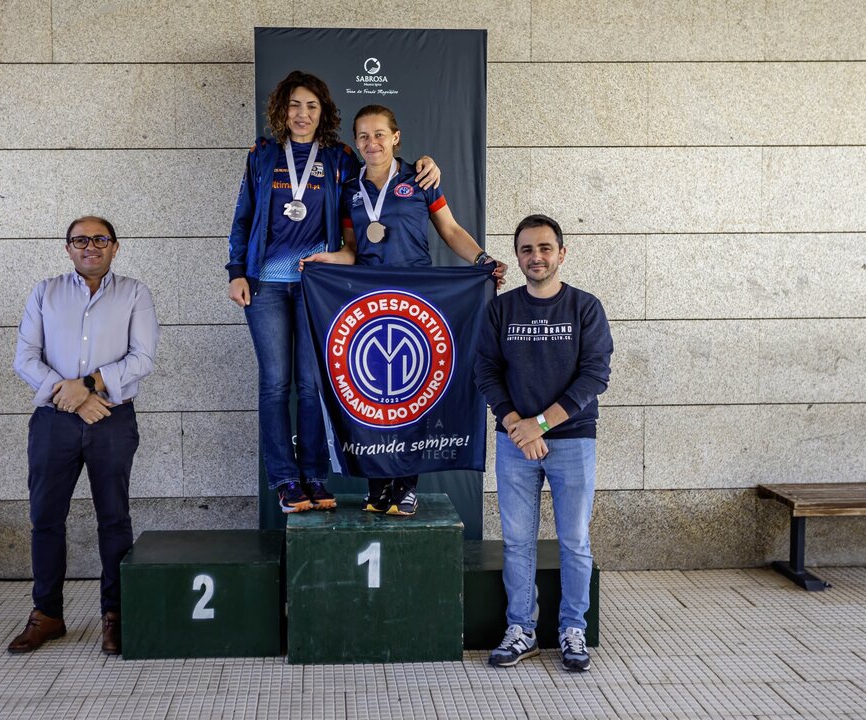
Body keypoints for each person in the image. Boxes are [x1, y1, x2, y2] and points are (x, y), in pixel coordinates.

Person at [226, 72, 440, 514]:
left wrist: (426, 163)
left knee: (312, 385)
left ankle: (314, 476)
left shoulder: (339, 157)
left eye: (311, 106)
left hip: (318, 285)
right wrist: (236, 272)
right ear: (281, 109)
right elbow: (243, 217)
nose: (302, 114)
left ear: (323, 112)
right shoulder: (262, 155)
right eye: (294, 105)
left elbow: (375, 184)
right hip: (265, 284)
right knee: (274, 384)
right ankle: (285, 480)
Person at [304, 104, 506, 516]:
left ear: (395, 137)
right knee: (375, 393)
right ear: (356, 141)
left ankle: (407, 486)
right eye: (363, 136)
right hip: (369, 299)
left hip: (417, 296)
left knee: (412, 392)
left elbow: (450, 229)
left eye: (379, 134)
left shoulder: (420, 177)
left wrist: (483, 260)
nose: (371, 143)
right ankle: (379, 486)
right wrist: (326, 261)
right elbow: (351, 249)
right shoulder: (349, 189)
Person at [9, 215, 159, 656]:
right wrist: (72, 397)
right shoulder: (45, 292)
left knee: (114, 519)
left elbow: (143, 358)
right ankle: (47, 615)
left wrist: (89, 385)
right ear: (68, 248)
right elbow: (25, 357)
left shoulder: (135, 293)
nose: (90, 246)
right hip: (53, 421)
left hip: (112, 419)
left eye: (100, 239)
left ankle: (115, 615)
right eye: (80, 240)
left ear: (115, 246)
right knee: (46, 519)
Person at [474, 214, 612, 672]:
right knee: (517, 542)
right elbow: (486, 371)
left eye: (545, 248)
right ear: (517, 257)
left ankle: (573, 629)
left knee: (574, 541)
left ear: (561, 254)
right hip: (515, 441)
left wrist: (541, 426)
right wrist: (517, 423)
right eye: (527, 249)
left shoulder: (585, 308)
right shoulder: (501, 310)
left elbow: (595, 376)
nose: (536, 257)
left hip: (572, 440)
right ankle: (521, 630)